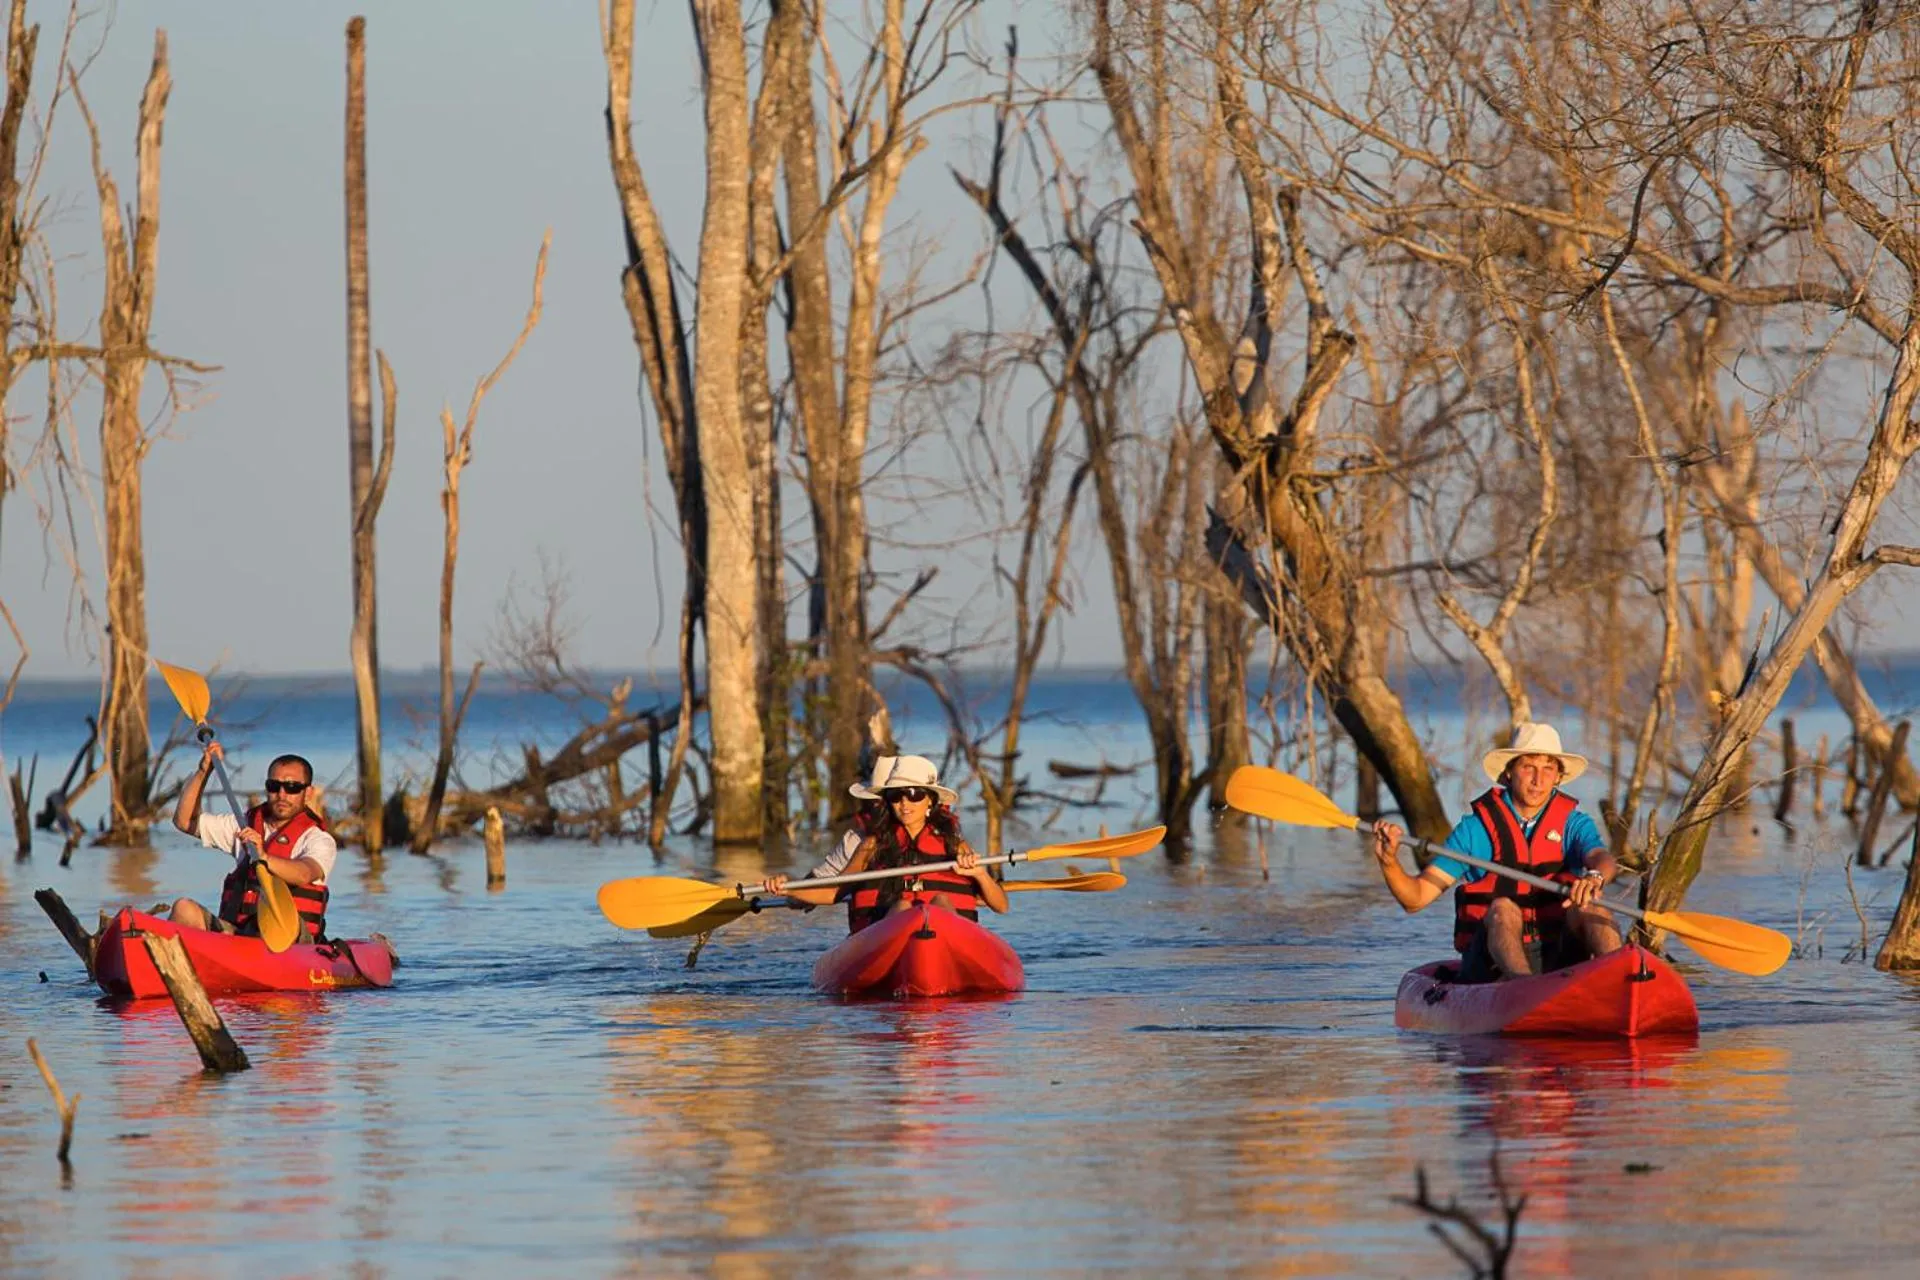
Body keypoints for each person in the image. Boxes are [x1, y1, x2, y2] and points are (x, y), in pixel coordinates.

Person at [1371, 722, 1620, 980]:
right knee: (1503, 907)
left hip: (1557, 953)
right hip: (1491, 964)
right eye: (1528, 767)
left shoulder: (1573, 823)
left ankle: (1618, 980)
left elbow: (1601, 858)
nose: (1538, 780)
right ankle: (1522, 986)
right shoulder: (1474, 830)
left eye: (1548, 768)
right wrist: (1389, 862)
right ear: (1509, 773)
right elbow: (1416, 899)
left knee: (1594, 908)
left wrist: (1595, 876)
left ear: (1558, 776)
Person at [758, 754, 1008, 931]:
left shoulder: (955, 845)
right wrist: (788, 889)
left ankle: (941, 944)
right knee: (902, 905)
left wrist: (981, 875)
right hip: (891, 934)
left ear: (930, 800)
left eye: (914, 794)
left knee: (940, 901)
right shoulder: (870, 844)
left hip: (946, 936)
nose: (905, 804)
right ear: (888, 801)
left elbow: (1001, 906)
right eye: (896, 796)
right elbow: (835, 891)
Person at [168, 740, 337, 941]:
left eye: (292, 788)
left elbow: (305, 873)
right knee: (183, 909)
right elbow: (184, 821)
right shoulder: (244, 827)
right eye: (274, 786)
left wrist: (264, 856)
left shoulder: (318, 840)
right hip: (241, 937)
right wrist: (203, 771)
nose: (282, 795)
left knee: (263, 926)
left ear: (307, 793)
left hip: (289, 942)